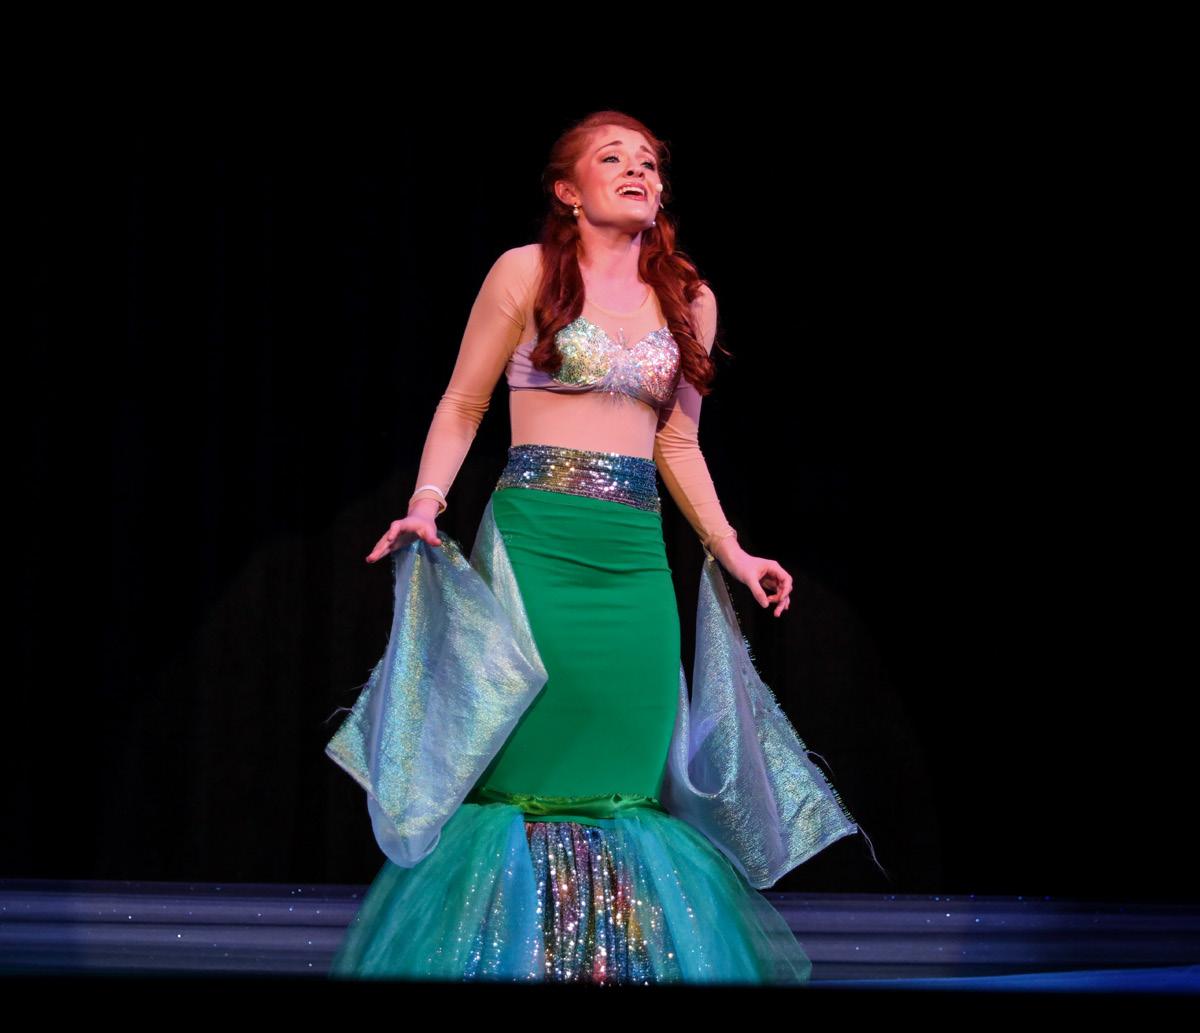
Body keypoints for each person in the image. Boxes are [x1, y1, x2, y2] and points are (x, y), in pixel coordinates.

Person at [324, 110, 879, 985]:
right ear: (567, 191)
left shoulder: (690, 298)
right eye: (612, 158)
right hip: (537, 548)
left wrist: (733, 551)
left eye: (649, 162)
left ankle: (610, 967)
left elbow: (679, 443)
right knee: (532, 779)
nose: (637, 171)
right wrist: (427, 502)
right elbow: (463, 404)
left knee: (624, 783)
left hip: (633, 562)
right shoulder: (525, 273)